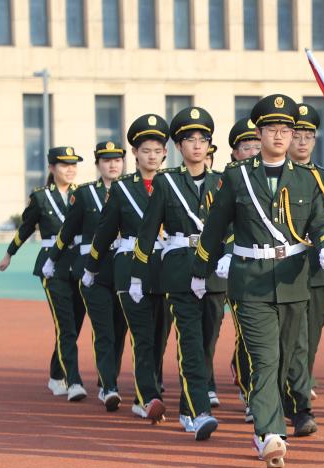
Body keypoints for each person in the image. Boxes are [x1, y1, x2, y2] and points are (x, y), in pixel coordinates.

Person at [192, 93, 324, 468]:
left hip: (293, 280)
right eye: (271, 129)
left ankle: (276, 415)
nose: (279, 135)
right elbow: (215, 228)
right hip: (251, 279)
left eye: (285, 130)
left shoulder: (307, 179)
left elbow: (322, 220)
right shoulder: (237, 176)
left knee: (287, 357)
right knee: (265, 358)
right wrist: (201, 270)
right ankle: (269, 432)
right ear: (259, 133)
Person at [133, 106, 223, 441]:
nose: (197, 145)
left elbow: (230, 227)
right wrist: (137, 276)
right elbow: (147, 231)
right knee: (191, 343)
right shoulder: (166, 181)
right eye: (189, 139)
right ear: (179, 146)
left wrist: (228, 257)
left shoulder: (221, 182)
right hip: (179, 271)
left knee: (208, 344)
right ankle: (199, 412)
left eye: (202, 139)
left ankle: (187, 407)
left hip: (214, 272)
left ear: (209, 145)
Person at [84, 114, 171, 425]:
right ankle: (147, 397)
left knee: (160, 336)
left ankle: (147, 391)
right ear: (135, 152)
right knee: (142, 335)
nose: (152, 156)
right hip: (130, 263)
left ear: (165, 153)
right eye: (145, 150)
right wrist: (92, 266)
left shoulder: (172, 184)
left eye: (157, 150)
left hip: (166, 266)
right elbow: (105, 230)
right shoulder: (122, 188)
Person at [281, 102, 324, 437]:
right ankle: (296, 404)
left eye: (308, 136)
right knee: (290, 340)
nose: (302, 142)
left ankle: (296, 392)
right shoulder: (276, 175)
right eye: (297, 135)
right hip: (283, 268)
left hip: (319, 270)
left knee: (309, 338)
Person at [0, 146, 87, 401]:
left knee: (74, 325)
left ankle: (55, 375)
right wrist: (9, 253)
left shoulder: (82, 194)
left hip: (78, 264)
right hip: (52, 265)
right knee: (65, 325)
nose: (70, 170)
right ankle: (73, 381)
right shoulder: (40, 197)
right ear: (51, 168)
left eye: (73, 165)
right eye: (64, 165)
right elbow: (25, 228)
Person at [46, 141, 128, 411]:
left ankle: (109, 379)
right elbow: (68, 231)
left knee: (120, 330)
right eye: (106, 160)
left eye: (117, 160)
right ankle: (108, 386)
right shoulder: (85, 194)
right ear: (97, 165)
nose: (112, 165)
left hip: (124, 269)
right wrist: (52, 259)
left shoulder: (132, 189)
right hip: (94, 271)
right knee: (103, 330)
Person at [222, 115, 261, 423]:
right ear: (235, 153)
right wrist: (226, 252)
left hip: (274, 268)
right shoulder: (231, 180)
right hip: (240, 265)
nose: (252, 152)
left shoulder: (277, 175)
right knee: (248, 334)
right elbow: (220, 223)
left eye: (256, 145)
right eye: (246, 147)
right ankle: (251, 395)